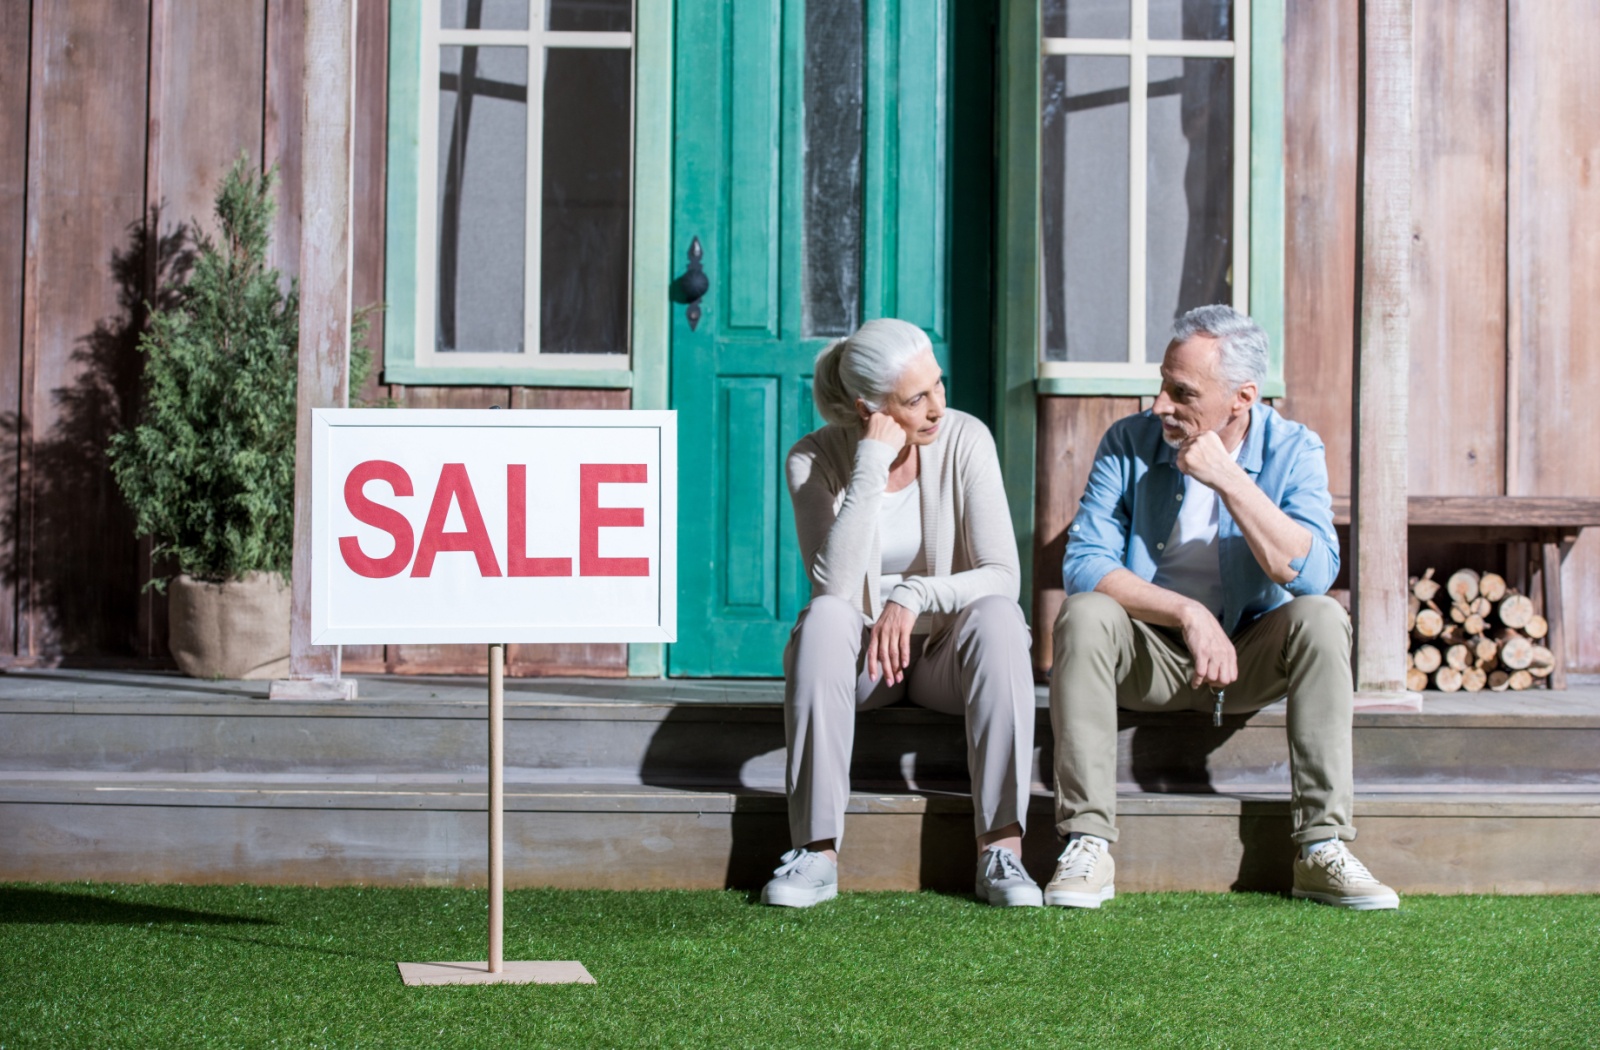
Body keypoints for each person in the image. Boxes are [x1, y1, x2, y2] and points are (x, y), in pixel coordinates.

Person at [1045, 304, 1399, 910]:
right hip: (1148, 656)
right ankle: (1087, 841)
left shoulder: (1293, 449)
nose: (1160, 405)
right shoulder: (1130, 441)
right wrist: (1188, 612)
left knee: (1322, 619)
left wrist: (1230, 480)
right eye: (1162, 384)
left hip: (1246, 661)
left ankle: (1321, 846)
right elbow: (1083, 565)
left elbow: (1314, 574)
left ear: (1242, 398)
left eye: (1182, 392)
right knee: (1084, 614)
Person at [760, 318, 1041, 908]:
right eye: (917, 399)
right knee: (826, 620)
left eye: (938, 385)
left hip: (944, 658)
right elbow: (832, 587)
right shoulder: (811, 459)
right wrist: (871, 462)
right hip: (865, 664)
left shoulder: (967, 439)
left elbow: (1003, 575)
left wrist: (911, 596)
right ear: (870, 407)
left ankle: (1003, 851)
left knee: (998, 617)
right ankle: (816, 853)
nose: (939, 406)